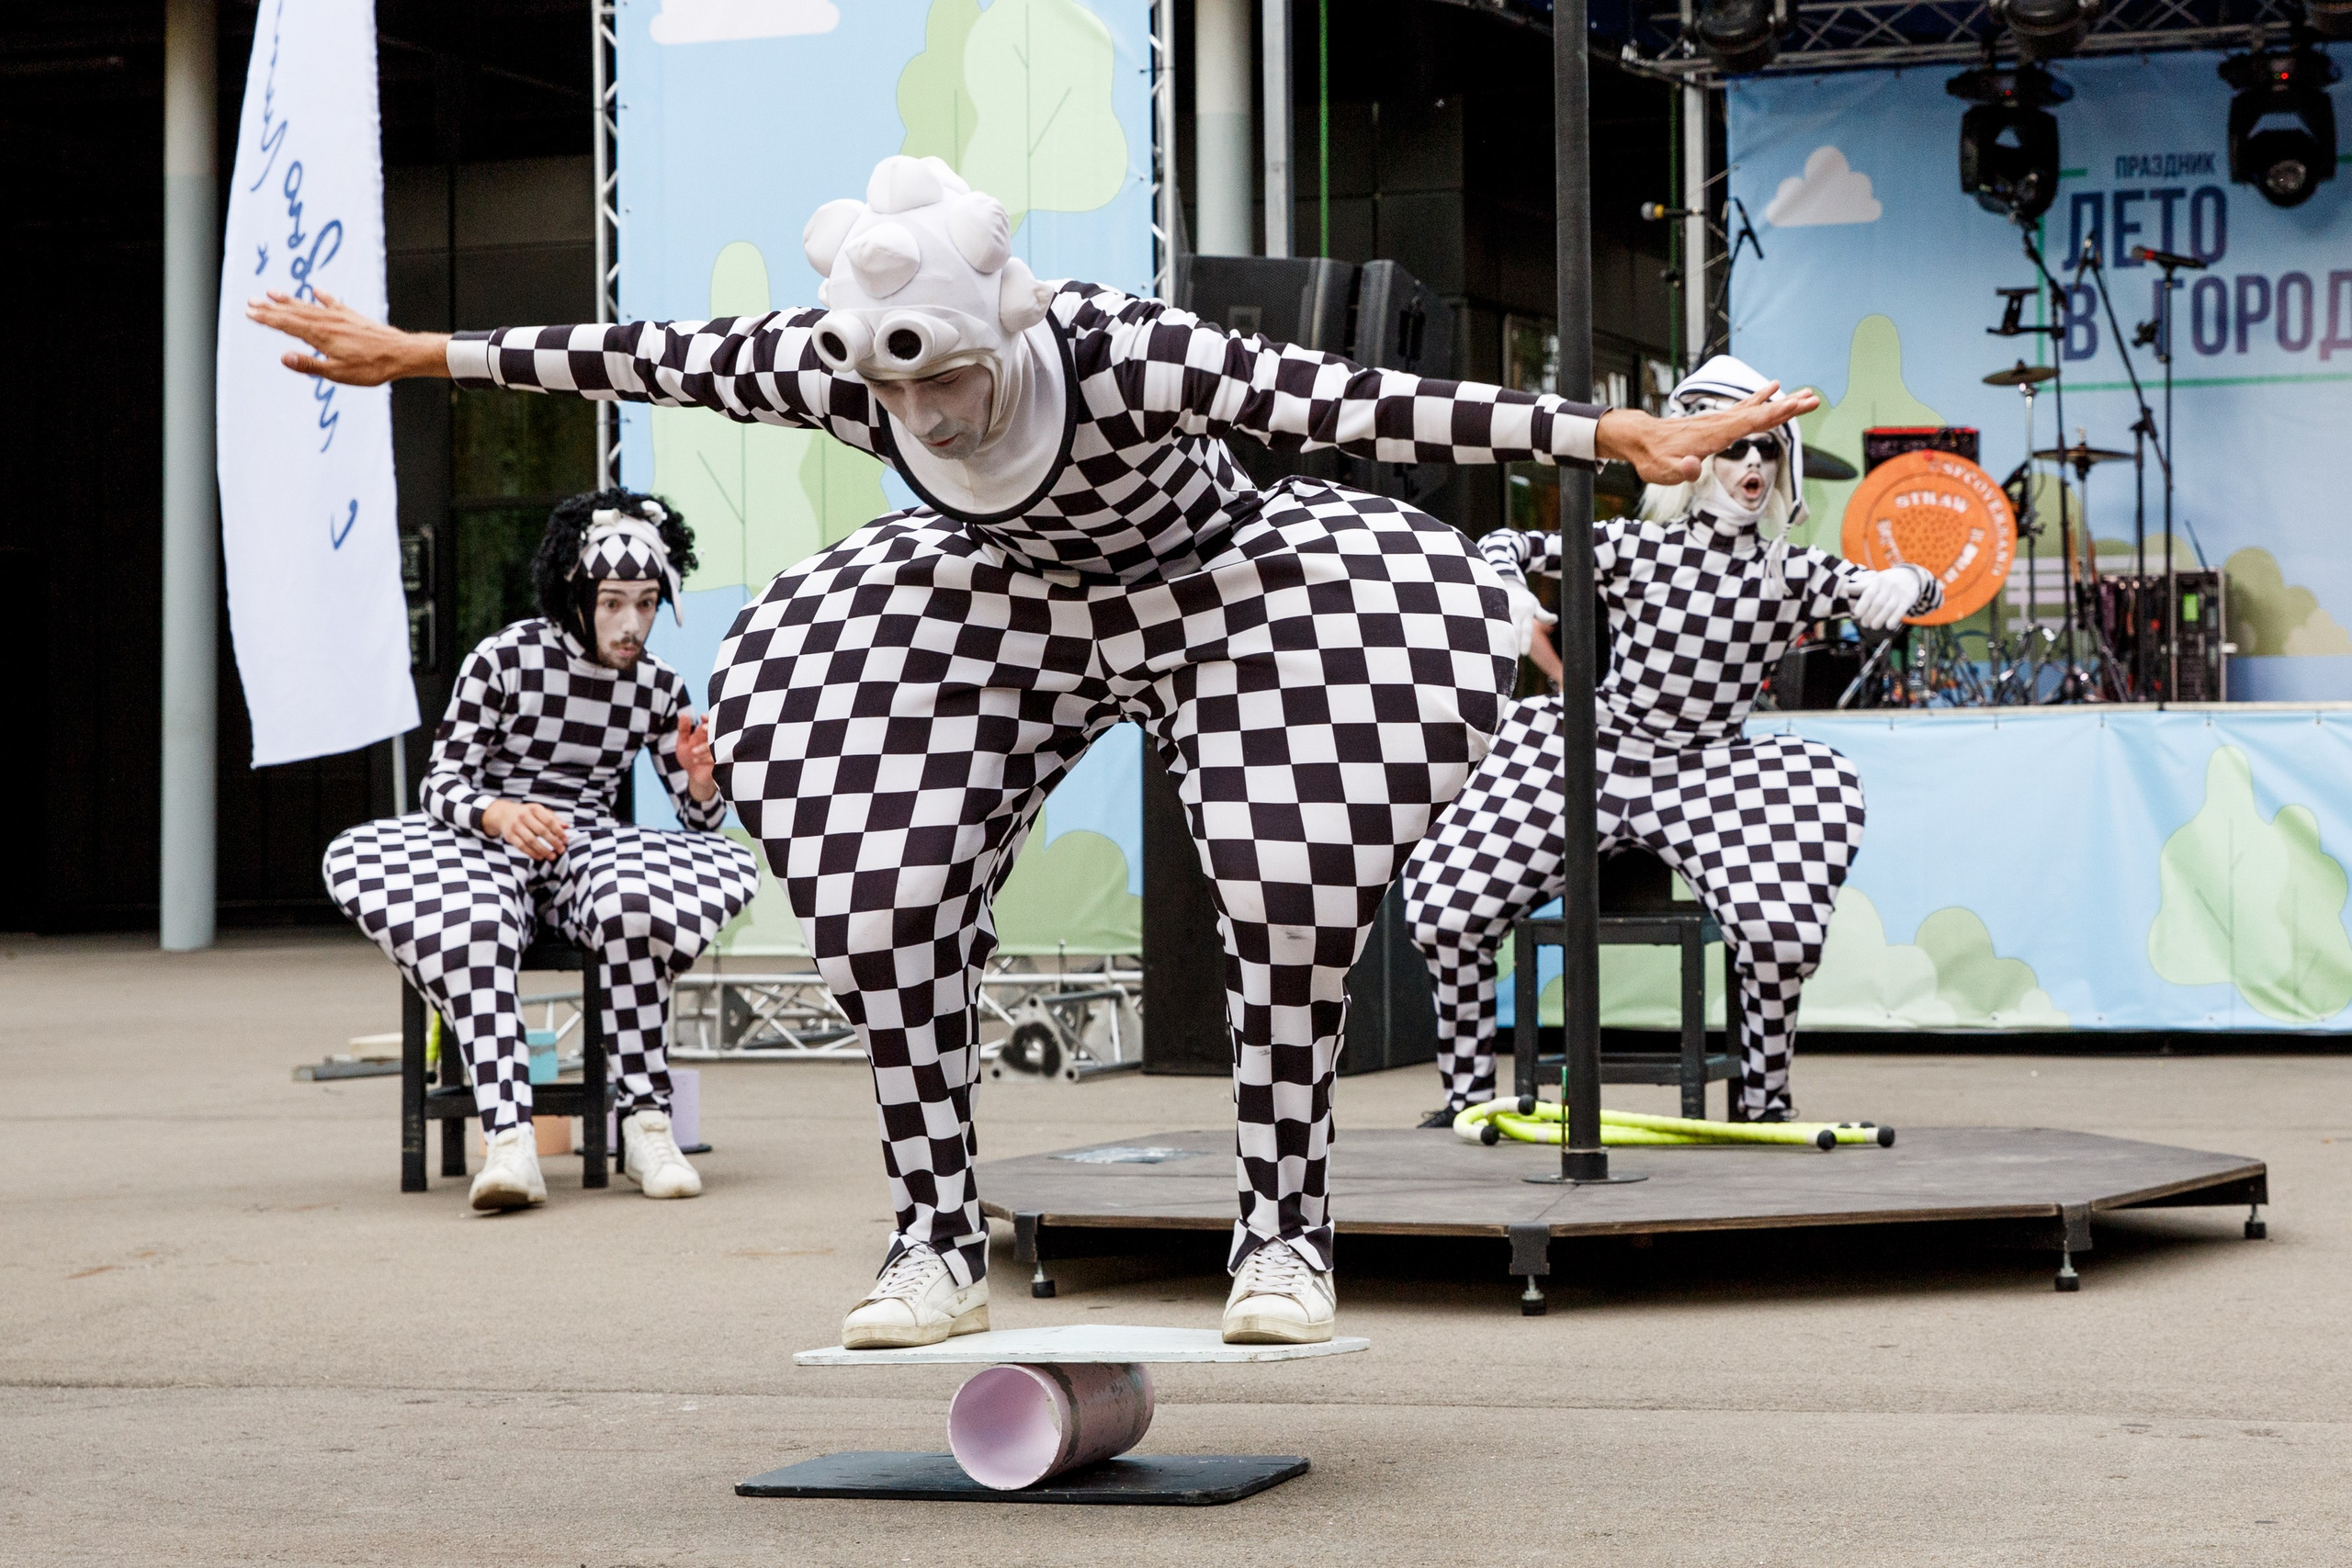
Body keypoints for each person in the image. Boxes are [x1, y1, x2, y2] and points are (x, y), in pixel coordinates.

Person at [254, 155, 1810, 1339]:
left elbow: (1357, 399)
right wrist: (423, 354)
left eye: (945, 376)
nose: (925, 412)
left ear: (1002, 326)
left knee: (1288, 888)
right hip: (1003, 609)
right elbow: (638, 351)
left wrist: (1610, 440)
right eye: (897, 386)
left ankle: (1281, 1229)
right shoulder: (850, 377)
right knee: (880, 898)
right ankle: (933, 1236)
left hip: (1224, 595)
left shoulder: (1122, 352)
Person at [1402, 355, 1939, 1124]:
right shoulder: (1635, 548)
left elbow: (1928, 590)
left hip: (1713, 769)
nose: (1753, 463)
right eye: (1734, 447)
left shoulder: (1790, 572)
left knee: (1780, 933)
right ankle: (1463, 1097)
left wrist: (1905, 583)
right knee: (1444, 913)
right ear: (1694, 459)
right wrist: (1507, 595)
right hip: (1598, 750)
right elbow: (1504, 542)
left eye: (1767, 449)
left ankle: (1765, 1100)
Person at [322, 493, 760, 1212]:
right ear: (577, 594)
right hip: (488, 846)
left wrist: (705, 780)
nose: (632, 623)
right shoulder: (503, 660)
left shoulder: (656, 687)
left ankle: (647, 1123)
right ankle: (509, 1138)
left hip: (585, 845)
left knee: (631, 905)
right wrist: (498, 813)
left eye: (647, 603)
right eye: (615, 602)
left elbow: (697, 820)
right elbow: (442, 783)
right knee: (480, 923)